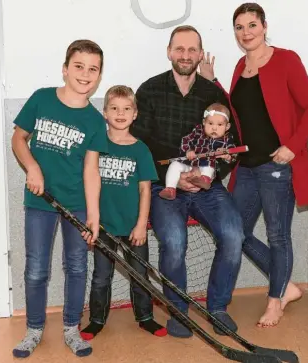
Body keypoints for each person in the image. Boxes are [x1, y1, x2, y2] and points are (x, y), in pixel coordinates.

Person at [199, 2, 308, 328]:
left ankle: (275, 301)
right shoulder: (241, 65)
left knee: (279, 236)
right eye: (239, 27)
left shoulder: (286, 59)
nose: (246, 32)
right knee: (234, 232)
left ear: (264, 26)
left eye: (252, 25)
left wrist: (292, 148)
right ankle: (287, 286)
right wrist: (213, 83)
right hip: (247, 167)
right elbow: (238, 113)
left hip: (276, 165)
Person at [133, 25, 244, 338]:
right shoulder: (149, 90)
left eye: (192, 49)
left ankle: (218, 307)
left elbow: (231, 145)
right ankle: (179, 313)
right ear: (169, 52)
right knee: (174, 242)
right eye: (179, 49)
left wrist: (209, 174)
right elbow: (138, 146)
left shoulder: (213, 94)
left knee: (234, 234)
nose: (185, 55)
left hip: (206, 183)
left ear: (200, 53)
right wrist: (176, 178)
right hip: (163, 184)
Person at [11, 39, 108, 358]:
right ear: (66, 69)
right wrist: (32, 167)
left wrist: (93, 216)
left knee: (77, 266)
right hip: (41, 202)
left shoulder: (95, 121)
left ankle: (71, 328)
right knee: (36, 268)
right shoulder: (41, 99)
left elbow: (92, 171)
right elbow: (18, 139)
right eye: (79, 66)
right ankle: (34, 329)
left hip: (77, 204)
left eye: (93, 69)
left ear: (99, 76)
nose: (85, 74)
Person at [80, 85, 167, 340]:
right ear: (105, 113)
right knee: (100, 277)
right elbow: (89, 178)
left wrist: (142, 225)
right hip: (104, 226)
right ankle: (96, 320)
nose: (120, 113)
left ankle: (146, 318)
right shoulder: (97, 144)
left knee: (140, 276)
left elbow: (145, 190)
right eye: (114, 108)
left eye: (126, 108)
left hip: (132, 227)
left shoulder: (141, 149)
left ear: (135, 114)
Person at [159, 102, 236, 200]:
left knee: (209, 163)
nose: (214, 128)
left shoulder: (227, 138)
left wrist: (227, 155)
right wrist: (188, 150)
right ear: (204, 122)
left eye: (220, 124)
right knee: (174, 165)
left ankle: (204, 180)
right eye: (210, 123)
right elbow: (186, 140)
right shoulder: (198, 131)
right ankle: (170, 188)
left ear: (227, 126)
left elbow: (233, 153)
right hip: (190, 163)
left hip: (205, 168)